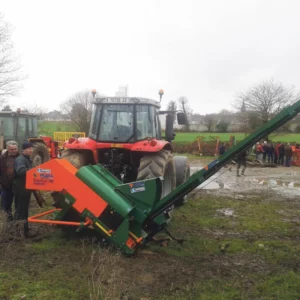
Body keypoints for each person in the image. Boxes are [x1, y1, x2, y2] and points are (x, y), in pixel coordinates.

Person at [13, 142, 34, 237]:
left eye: (31, 148)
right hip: (20, 189)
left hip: (26, 188)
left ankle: (25, 231)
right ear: (23, 150)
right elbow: (21, 171)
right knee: (20, 210)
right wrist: (33, 171)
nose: (31, 150)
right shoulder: (20, 160)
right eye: (28, 148)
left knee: (25, 210)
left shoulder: (28, 159)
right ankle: (16, 232)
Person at [0, 141, 19, 221]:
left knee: (19, 205)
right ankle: (8, 222)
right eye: (11, 149)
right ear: (7, 148)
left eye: (15, 149)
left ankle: (18, 221)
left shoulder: (21, 158)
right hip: (6, 186)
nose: (14, 151)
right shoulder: (2, 158)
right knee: (6, 205)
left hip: (18, 186)